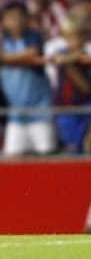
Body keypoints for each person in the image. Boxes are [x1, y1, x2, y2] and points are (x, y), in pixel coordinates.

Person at [0, 0, 56, 157]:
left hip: (40, 113)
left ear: (27, 19)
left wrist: (3, 58)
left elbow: (32, 53)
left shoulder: (33, 36)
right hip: (17, 116)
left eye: (20, 16)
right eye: (11, 17)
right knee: (11, 161)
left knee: (47, 158)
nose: (17, 21)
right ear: (3, 22)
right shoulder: (1, 40)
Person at [45, 15, 91, 154]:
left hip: (84, 107)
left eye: (80, 36)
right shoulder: (60, 53)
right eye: (71, 37)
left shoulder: (86, 56)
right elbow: (59, 59)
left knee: (85, 145)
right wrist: (70, 59)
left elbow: (86, 88)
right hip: (66, 109)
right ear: (64, 38)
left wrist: (72, 60)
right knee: (70, 148)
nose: (76, 41)